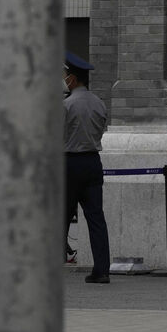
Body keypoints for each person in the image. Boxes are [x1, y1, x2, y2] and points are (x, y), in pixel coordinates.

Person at [63, 52, 111, 284]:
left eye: (65, 76)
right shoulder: (99, 103)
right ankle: (102, 270)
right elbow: (100, 130)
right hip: (93, 161)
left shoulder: (66, 105)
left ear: (72, 79)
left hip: (69, 162)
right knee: (96, 218)